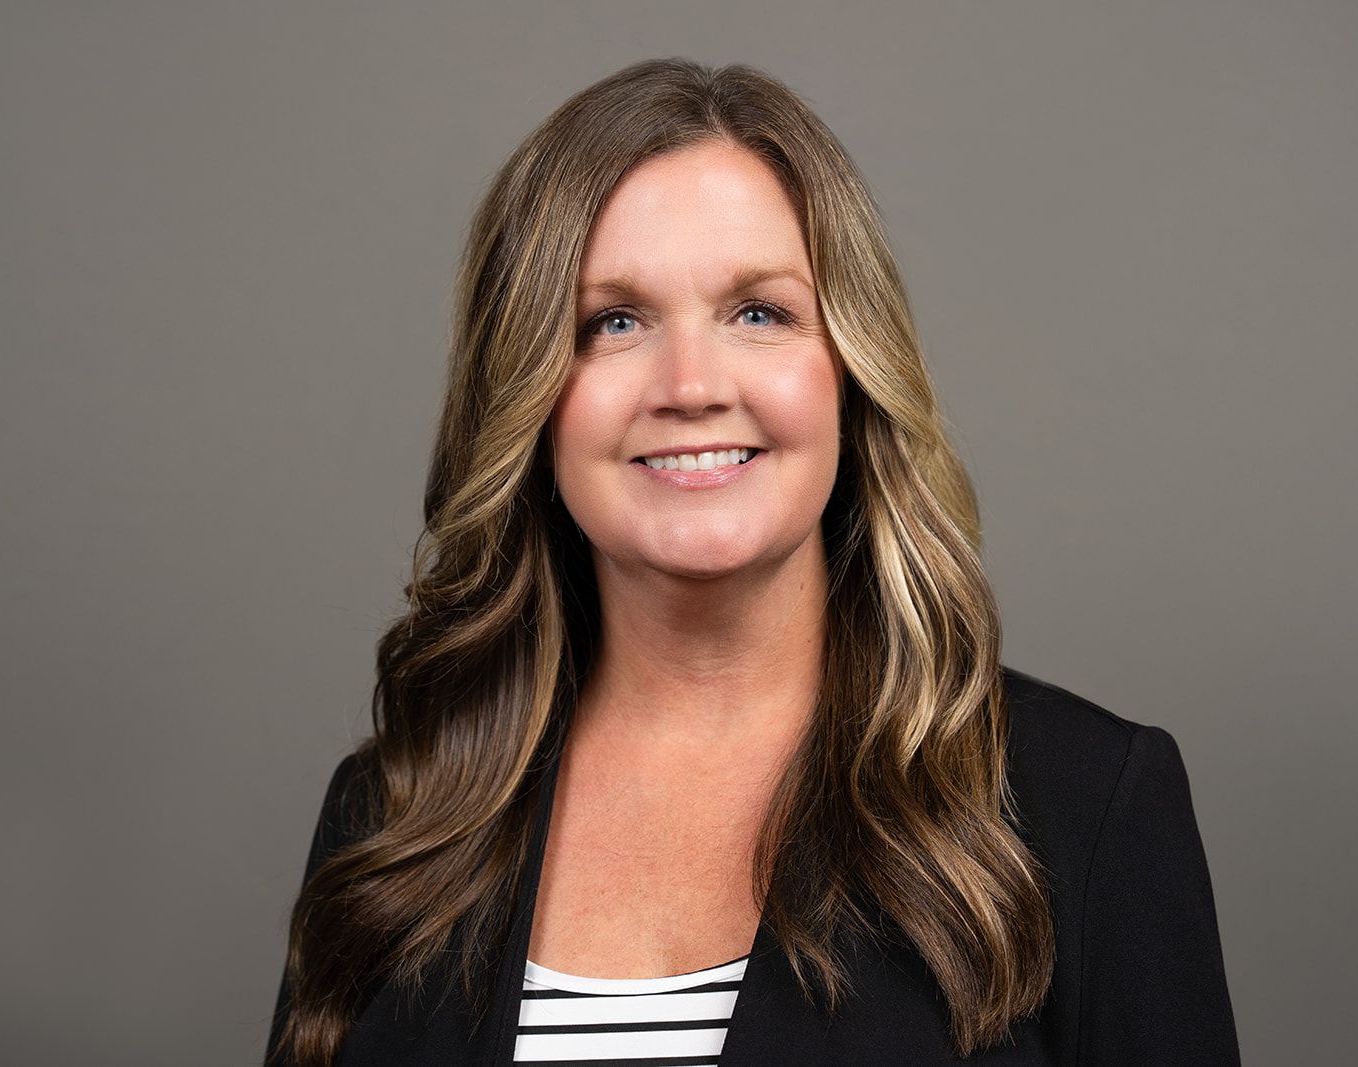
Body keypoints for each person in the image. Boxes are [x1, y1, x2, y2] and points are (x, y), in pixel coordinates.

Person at [264, 57, 1240, 1066]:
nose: (690, 383)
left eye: (759, 312)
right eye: (614, 321)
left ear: (852, 372)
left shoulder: (1083, 805)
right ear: (530, 399)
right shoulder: (396, 816)